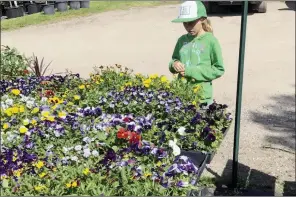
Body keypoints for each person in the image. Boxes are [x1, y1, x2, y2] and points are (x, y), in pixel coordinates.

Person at [168, 0, 225, 106]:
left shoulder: (211, 41)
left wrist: (191, 71)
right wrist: (174, 64)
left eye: (191, 22)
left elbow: (219, 69)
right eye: (185, 23)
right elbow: (174, 60)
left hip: (202, 98)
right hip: (182, 95)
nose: (188, 27)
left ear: (202, 19)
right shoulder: (181, 40)